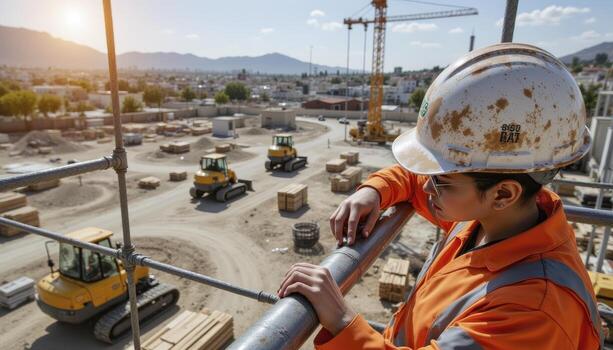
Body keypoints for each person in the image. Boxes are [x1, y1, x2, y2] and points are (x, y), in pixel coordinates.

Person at [277, 43, 602, 349]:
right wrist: (375, 190)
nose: (427, 187)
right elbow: (415, 178)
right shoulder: (493, 220)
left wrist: (343, 320)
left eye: (442, 180)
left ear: (504, 193)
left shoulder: (532, 311)